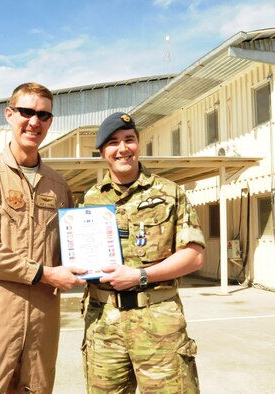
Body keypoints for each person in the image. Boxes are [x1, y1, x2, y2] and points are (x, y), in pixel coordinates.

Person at [0, 82, 86, 393]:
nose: (34, 122)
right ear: (9, 114)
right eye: (26, 112)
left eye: (44, 115)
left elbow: (69, 250)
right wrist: (43, 273)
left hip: (41, 326)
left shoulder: (58, 185)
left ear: (51, 121)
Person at [82, 112, 206, 393]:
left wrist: (140, 275)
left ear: (139, 144)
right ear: (103, 152)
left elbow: (194, 255)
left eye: (129, 140)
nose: (122, 148)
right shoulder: (89, 200)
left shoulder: (170, 193)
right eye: (113, 143)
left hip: (158, 323)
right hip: (104, 326)